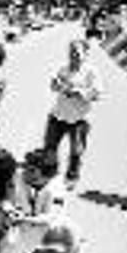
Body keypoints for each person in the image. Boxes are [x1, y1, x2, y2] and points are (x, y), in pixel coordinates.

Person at [0, 148, 86, 253]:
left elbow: (51, 217)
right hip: (22, 226)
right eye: (26, 166)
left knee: (76, 233)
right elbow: (6, 199)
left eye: (32, 170)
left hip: (49, 230)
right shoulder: (19, 177)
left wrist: (24, 218)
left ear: (47, 175)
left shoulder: (57, 187)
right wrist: (9, 210)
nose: (25, 171)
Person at [43, 39, 103, 188]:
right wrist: (55, 84)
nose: (73, 55)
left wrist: (79, 92)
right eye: (71, 52)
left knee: (76, 152)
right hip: (58, 115)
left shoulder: (91, 72)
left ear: (85, 54)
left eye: (77, 52)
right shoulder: (63, 68)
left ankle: (71, 178)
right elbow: (54, 84)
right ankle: (50, 173)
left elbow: (98, 94)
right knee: (50, 147)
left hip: (79, 119)